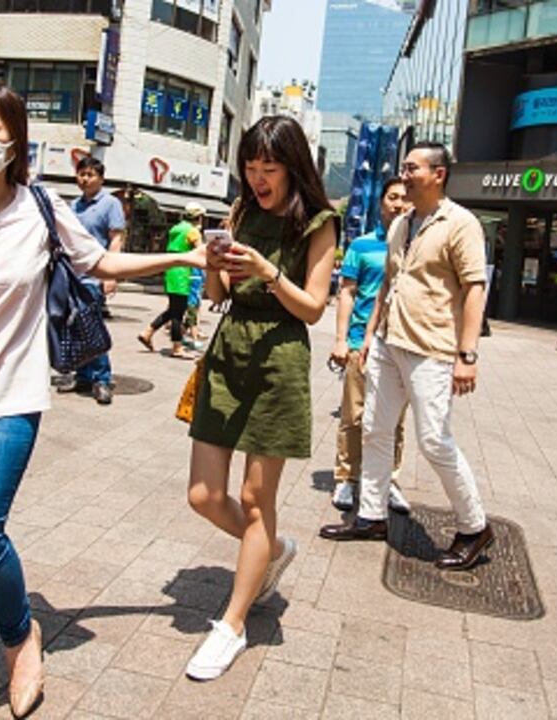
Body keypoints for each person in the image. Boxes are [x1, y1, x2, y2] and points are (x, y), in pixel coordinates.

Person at [0, 83, 202, 717]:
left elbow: (101, 267)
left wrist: (185, 253)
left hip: (8, 396)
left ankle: (19, 635)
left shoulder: (41, 209)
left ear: (16, 143)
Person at [184, 116, 337, 681]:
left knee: (254, 500)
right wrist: (214, 264)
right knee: (203, 494)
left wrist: (268, 269)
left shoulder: (320, 223)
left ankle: (233, 624)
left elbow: (313, 308)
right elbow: (216, 296)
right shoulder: (241, 212)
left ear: (292, 166)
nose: (257, 178)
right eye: (249, 167)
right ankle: (270, 551)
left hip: (279, 357)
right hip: (229, 352)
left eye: (267, 168)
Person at [318, 142, 494, 573]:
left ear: (438, 174)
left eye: (413, 168)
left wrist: (467, 354)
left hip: (432, 348)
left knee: (434, 439)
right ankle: (372, 515)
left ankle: (474, 527)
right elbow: (386, 286)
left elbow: (475, 288)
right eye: (404, 167)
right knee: (375, 430)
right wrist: (367, 337)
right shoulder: (402, 224)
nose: (405, 174)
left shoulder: (460, 223)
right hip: (387, 343)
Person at [329, 176, 411, 515]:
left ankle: (388, 480)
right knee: (354, 415)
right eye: (392, 197)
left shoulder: (415, 246)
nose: (398, 204)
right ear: (381, 203)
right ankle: (346, 478)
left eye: (404, 198)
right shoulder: (361, 246)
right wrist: (340, 339)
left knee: (395, 421)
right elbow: (346, 292)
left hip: (401, 344)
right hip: (360, 342)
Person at [57, 155, 126, 404]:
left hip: (95, 275)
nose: (84, 179)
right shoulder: (73, 205)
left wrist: (112, 274)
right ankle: (83, 374)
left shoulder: (110, 204)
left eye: (90, 175)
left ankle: (102, 378)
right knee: (76, 327)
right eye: (81, 174)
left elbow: (116, 239)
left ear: (101, 178)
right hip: (71, 276)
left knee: (90, 325)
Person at [139, 203, 204, 360]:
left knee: (173, 308)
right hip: (182, 271)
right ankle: (177, 347)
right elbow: (200, 251)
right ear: (199, 217)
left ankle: (147, 332)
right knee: (178, 312)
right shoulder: (193, 232)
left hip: (171, 268)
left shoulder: (176, 228)